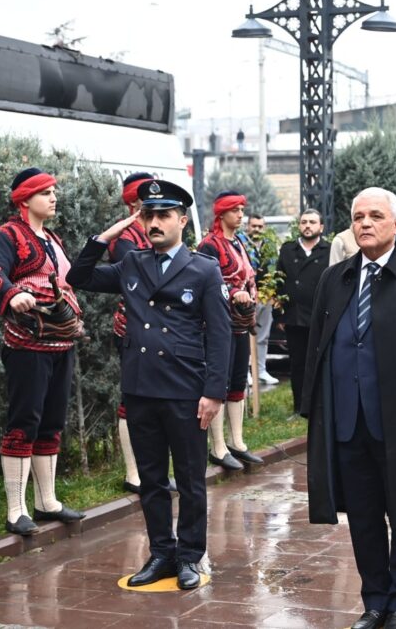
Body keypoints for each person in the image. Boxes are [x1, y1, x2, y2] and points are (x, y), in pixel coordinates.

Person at [67, 179, 230, 590]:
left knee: (191, 480)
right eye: (148, 215)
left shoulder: (204, 269)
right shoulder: (133, 264)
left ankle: (190, 556)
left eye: (163, 215)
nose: (154, 223)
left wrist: (214, 392)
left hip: (185, 390)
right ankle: (161, 553)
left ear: (182, 220)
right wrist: (109, 234)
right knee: (152, 480)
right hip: (140, 389)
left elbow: (221, 335)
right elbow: (78, 276)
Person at [301, 187, 396, 629]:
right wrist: (314, 410)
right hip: (348, 419)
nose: (365, 224)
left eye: (375, 216)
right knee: (363, 516)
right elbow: (317, 348)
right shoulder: (337, 278)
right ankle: (374, 601)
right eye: (358, 217)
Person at [0, 167, 85, 536]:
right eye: (45, 192)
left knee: (52, 420)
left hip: (62, 342)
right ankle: (15, 510)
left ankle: (47, 501)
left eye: (54, 191)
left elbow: (66, 281)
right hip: (27, 344)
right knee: (25, 420)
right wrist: (13, 294)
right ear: (24, 199)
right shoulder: (8, 235)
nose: (53, 198)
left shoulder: (53, 238)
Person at [108, 172, 178, 494]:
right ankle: (133, 472)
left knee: (162, 399)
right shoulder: (124, 239)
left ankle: (157, 469)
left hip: (166, 331)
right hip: (133, 330)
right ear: (134, 203)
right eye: (148, 204)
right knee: (132, 401)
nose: (155, 215)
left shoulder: (157, 234)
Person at [197, 191, 261, 471]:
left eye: (242, 210)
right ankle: (218, 446)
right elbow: (208, 279)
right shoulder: (210, 245)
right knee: (219, 382)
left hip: (240, 322)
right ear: (221, 214)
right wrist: (234, 291)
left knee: (238, 380)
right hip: (219, 322)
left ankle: (238, 441)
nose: (240, 214)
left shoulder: (239, 242)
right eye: (235, 210)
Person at [276, 208, 331, 415]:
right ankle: (300, 407)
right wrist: (280, 315)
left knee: (320, 362)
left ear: (321, 227)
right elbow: (279, 283)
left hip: (320, 317)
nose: (307, 226)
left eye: (312, 222)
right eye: (304, 222)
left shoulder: (328, 250)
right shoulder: (288, 250)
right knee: (297, 364)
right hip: (295, 317)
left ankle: (319, 404)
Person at [243, 213, 278, 385]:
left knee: (263, 336)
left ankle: (261, 370)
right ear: (247, 226)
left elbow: (274, 269)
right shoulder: (241, 243)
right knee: (245, 336)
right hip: (247, 296)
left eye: (260, 226)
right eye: (253, 226)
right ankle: (246, 371)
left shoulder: (269, 244)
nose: (256, 229)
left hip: (265, 295)